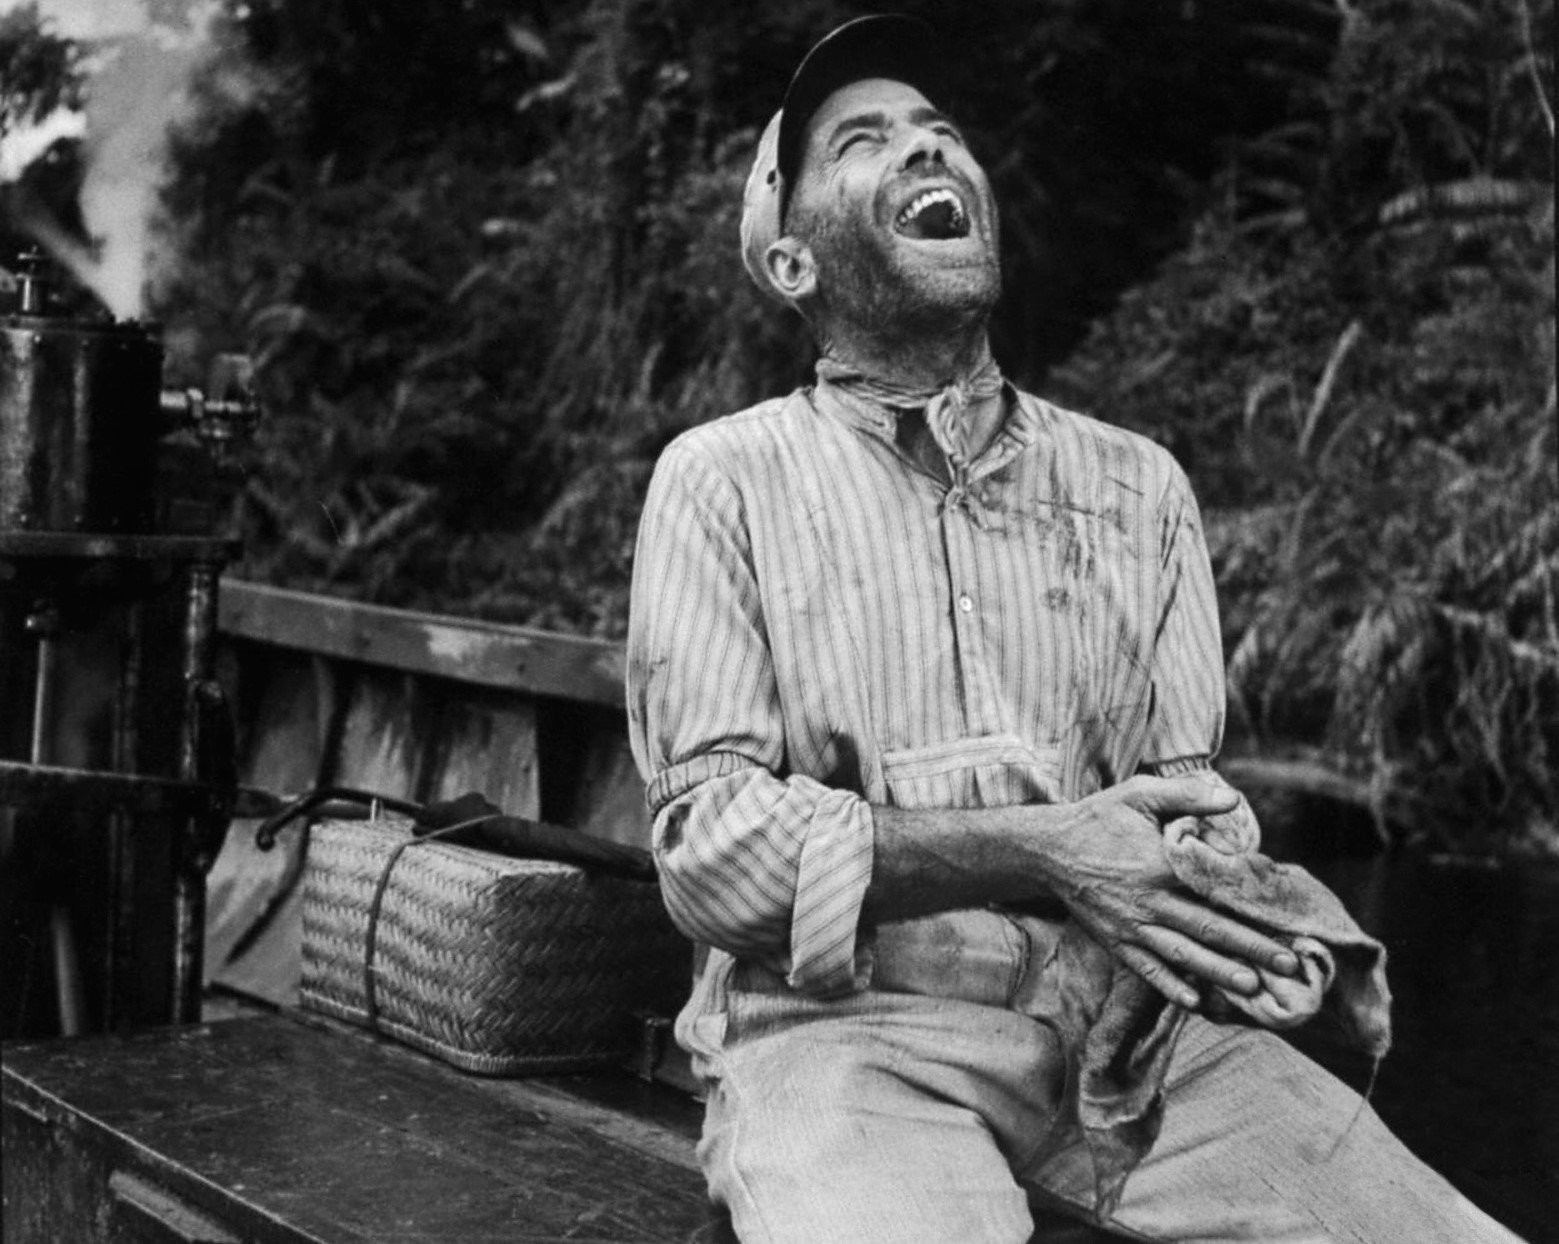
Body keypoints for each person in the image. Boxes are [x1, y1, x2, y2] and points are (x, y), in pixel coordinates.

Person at [626, 15, 1527, 1244]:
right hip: (843, 1039)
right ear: (792, 263)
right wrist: (1047, 847)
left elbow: (1189, 801)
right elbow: (711, 853)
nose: (927, 148)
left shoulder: (1136, 486)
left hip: (1140, 1052)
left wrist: (1204, 908)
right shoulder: (722, 479)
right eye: (861, 141)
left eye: (941, 131)